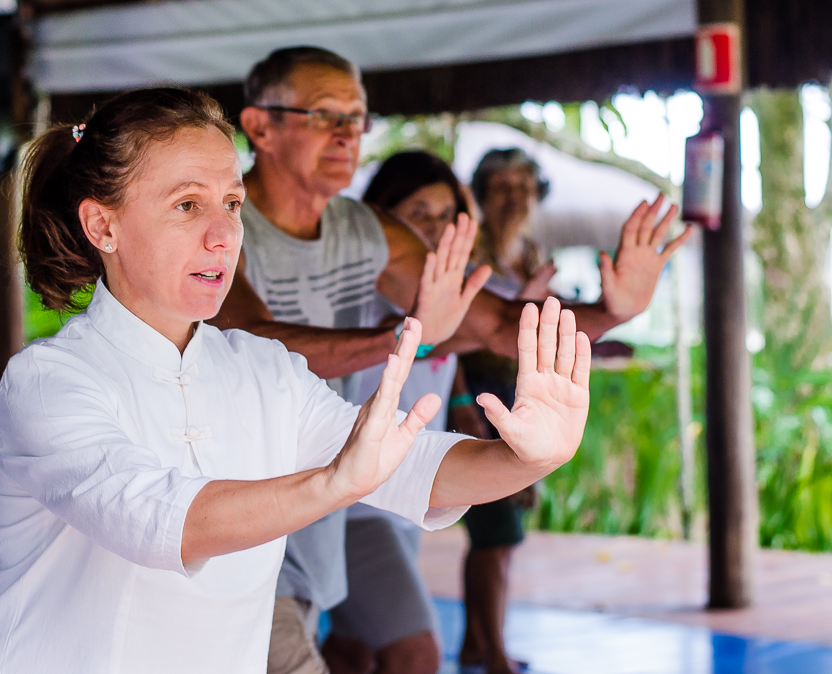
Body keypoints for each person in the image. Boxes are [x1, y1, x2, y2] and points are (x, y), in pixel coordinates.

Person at [0, 87, 593, 674]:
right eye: (187, 204)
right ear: (102, 225)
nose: (224, 234)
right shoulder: (48, 382)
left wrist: (529, 457)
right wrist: (335, 481)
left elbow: (413, 465)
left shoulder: (264, 370)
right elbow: (162, 520)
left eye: (231, 202)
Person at [211, 46, 692, 674]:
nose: (346, 134)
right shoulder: (216, 217)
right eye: (324, 114)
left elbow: (493, 324)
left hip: (334, 499)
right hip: (226, 508)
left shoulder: (369, 230)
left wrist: (611, 310)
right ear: (259, 127)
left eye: (356, 118)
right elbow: (250, 340)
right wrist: (406, 338)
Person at [322, 151, 474, 674]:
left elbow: (453, 352)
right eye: (419, 212)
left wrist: (461, 405)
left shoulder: (448, 296)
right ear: (382, 218)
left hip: (404, 497)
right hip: (356, 505)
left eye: (446, 213)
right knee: (416, 653)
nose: (436, 227)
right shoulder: (359, 297)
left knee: (352, 649)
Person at [455, 148, 558, 674]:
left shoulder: (531, 252)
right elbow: (445, 338)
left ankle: (480, 642)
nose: (515, 197)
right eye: (503, 186)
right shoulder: (469, 252)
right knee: (494, 535)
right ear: (481, 191)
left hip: (522, 398)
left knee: (505, 534)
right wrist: (458, 403)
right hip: (481, 398)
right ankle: (491, 652)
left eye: (524, 186)